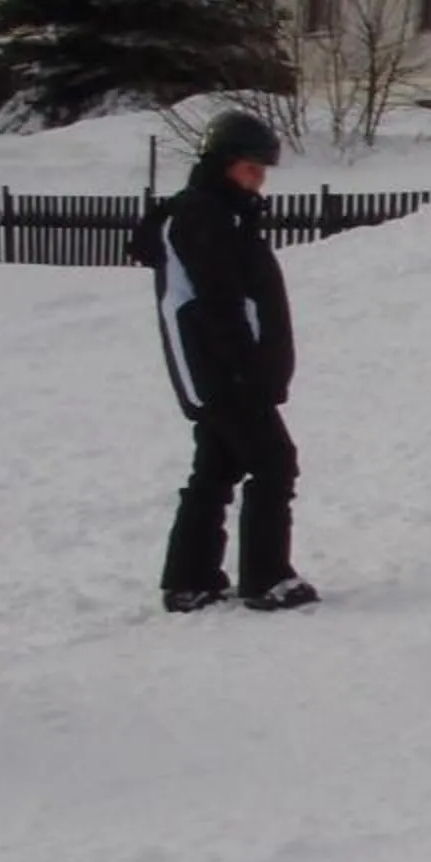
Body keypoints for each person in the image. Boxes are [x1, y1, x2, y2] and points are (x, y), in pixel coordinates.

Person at [137, 109, 315, 613]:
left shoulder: (225, 213)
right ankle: (266, 578)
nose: (258, 179)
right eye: (250, 168)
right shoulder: (203, 215)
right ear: (223, 164)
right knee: (274, 463)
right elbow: (219, 302)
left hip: (227, 372)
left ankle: (190, 580)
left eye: (262, 170)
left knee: (217, 468)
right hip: (223, 374)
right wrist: (246, 369)